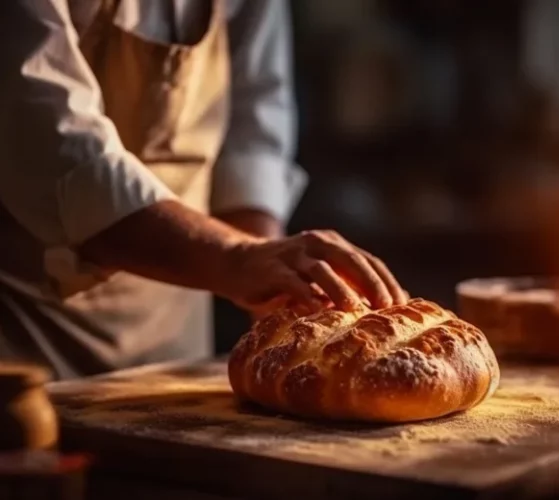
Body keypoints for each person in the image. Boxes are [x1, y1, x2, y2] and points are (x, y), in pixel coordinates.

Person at [0, 0, 406, 379]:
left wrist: (276, 287)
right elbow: (46, 142)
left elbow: (252, 119)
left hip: (181, 317)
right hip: (31, 326)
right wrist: (237, 257)